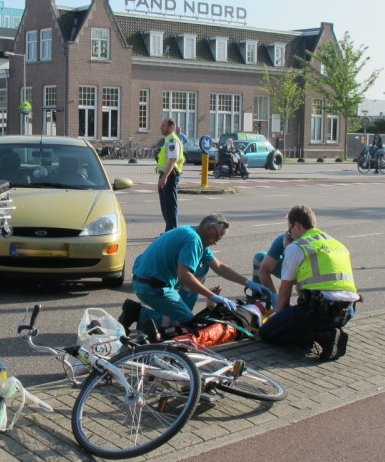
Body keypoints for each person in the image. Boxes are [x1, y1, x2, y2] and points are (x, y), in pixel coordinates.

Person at [118, 213, 268, 332]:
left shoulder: (192, 233)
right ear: (209, 227)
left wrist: (248, 283)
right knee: (189, 324)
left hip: (145, 280)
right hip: (153, 287)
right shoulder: (193, 240)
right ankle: (137, 313)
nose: (216, 241)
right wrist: (213, 296)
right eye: (216, 237)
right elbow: (184, 276)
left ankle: (180, 309)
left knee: (203, 267)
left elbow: (219, 266)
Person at [257, 204, 359, 362]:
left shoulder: (298, 247)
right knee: (297, 321)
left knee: (267, 333)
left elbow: (284, 292)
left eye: (289, 229)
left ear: (297, 225)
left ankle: (321, 335)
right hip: (346, 312)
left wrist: (281, 318)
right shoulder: (336, 244)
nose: (289, 233)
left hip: (319, 311)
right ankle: (327, 330)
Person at [156, 118, 185, 233]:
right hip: (165, 175)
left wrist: (164, 177)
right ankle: (169, 230)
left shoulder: (173, 140)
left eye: (164, 125)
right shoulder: (167, 140)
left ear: (171, 127)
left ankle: (171, 231)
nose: (161, 127)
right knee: (165, 205)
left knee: (170, 205)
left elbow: (173, 159)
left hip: (170, 175)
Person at [251, 232, 291, 307]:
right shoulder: (283, 238)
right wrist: (274, 297)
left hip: (306, 273)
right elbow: (263, 271)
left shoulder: (313, 242)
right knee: (259, 258)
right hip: (290, 269)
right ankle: (259, 301)